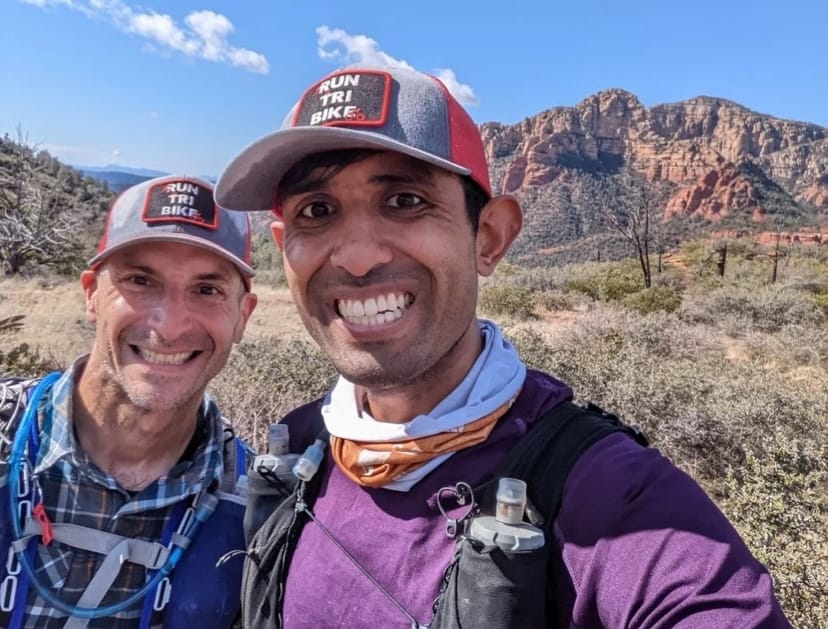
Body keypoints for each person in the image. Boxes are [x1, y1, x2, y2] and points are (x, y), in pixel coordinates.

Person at [215, 67, 791, 627]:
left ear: (488, 238)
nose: (356, 256)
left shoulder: (608, 496)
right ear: (284, 248)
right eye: (317, 212)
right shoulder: (300, 448)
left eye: (405, 201)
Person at [0, 175, 258, 628]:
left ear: (243, 316)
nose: (171, 324)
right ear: (92, 295)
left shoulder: (257, 506)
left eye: (207, 289)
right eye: (140, 280)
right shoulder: (7, 434)